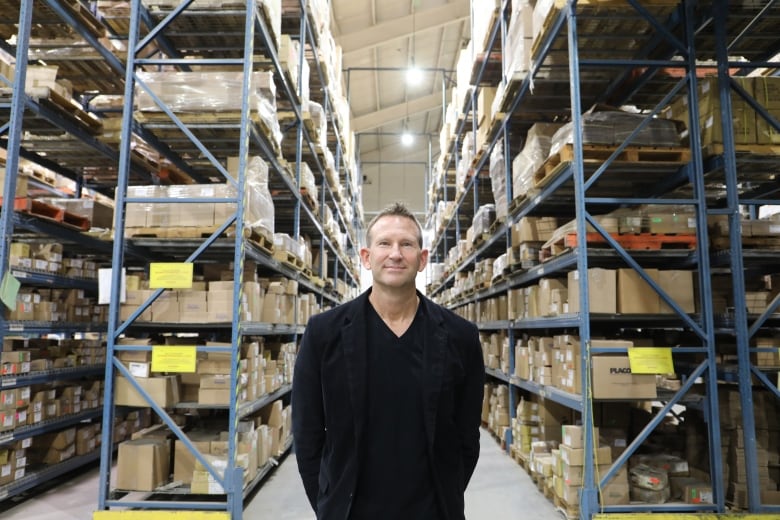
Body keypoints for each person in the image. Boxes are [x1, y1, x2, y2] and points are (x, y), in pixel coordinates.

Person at [292, 202, 485, 520]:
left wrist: (445, 496)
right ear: (367, 257)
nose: (395, 254)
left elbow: (467, 437)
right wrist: (330, 502)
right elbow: (307, 432)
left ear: (422, 260)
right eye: (384, 243)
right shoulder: (324, 334)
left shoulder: (460, 337)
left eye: (406, 244)